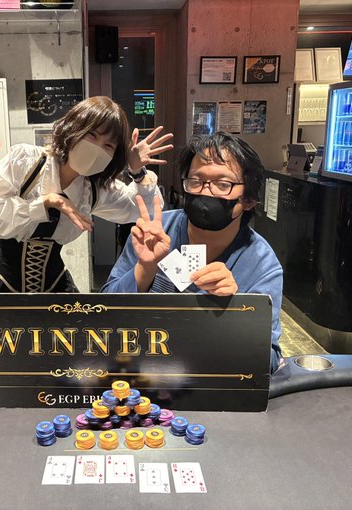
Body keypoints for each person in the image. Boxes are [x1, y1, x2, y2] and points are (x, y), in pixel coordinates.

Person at [101, 132, 283, 372]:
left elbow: (268, 359)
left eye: (222, 184)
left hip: (208, 380)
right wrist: (144, 269)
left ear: (248, 199)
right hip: (140, 374)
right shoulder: (154, 232)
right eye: (195, 181)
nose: (205, 192)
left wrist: (235, 310)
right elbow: (102, 315)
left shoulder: (261, 263)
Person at [0, 96, 173, 293]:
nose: (97, 148)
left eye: (108, 145)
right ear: (73, 129)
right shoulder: (27, 162)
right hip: (5, 287)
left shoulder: (93, 189)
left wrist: (137, 171)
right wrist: (45, 203)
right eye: (92, 135)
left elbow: (142, 210)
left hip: (56, 287)